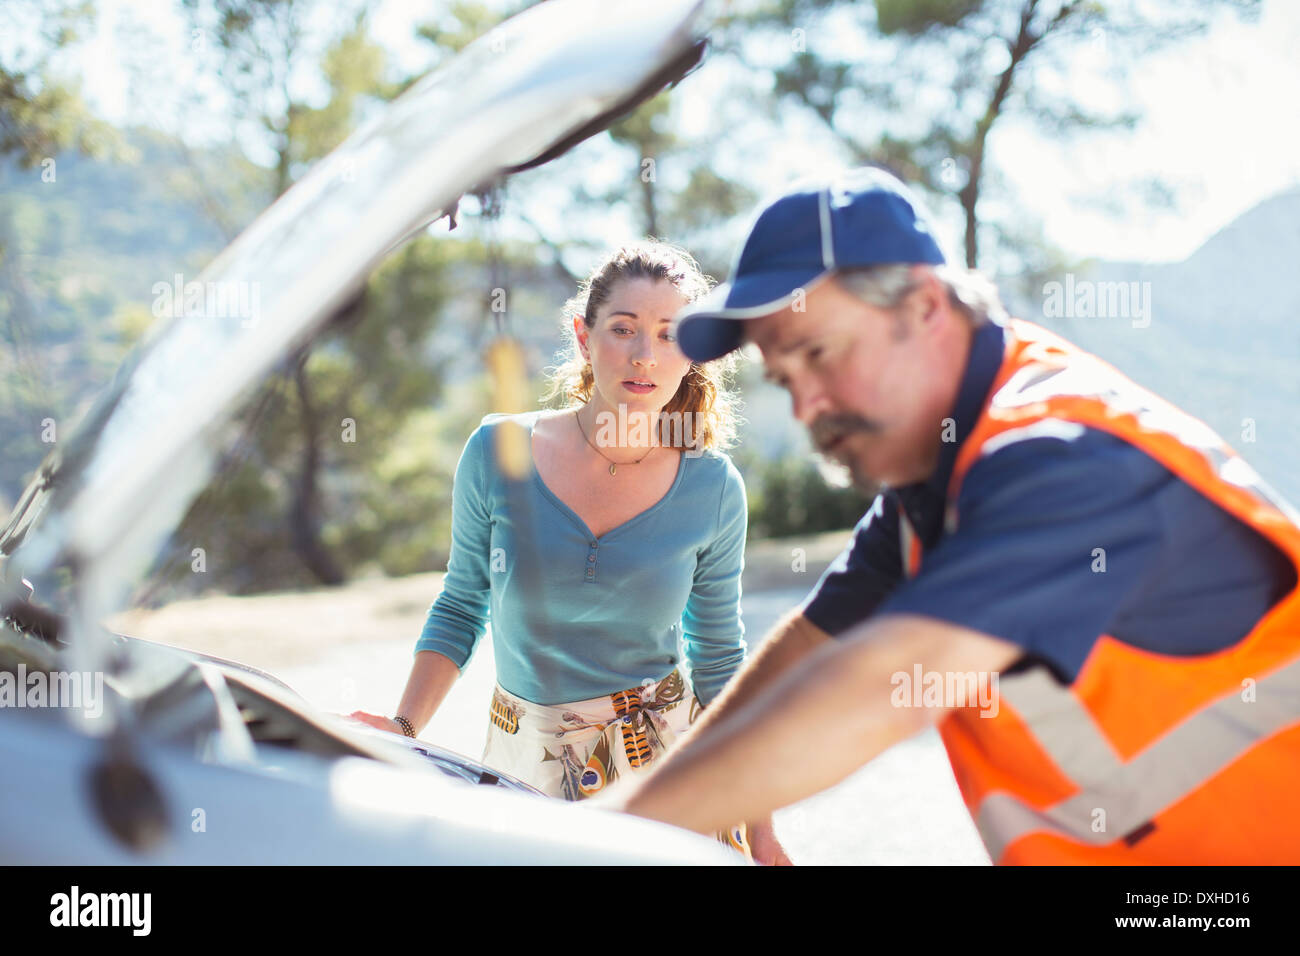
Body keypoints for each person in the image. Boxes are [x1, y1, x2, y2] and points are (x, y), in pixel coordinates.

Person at [598, 167, 1300, 864]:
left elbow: (880, 684)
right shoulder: (933, 486)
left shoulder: (1065, 459)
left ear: (925, 307)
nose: (806, 406)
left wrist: (583, 855)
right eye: (786, 379)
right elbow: (812, 653)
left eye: (819, 353)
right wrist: (618, 830)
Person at [350, 240, 788, 863]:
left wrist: (762, 827)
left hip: (666, 779)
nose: (644, 355)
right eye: (624, 329)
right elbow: (462, 604)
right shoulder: (496, 451)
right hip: (524, 767)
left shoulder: (713, 489)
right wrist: (403, 729)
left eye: (670, 335)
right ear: (584, 336)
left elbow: (720, 664)